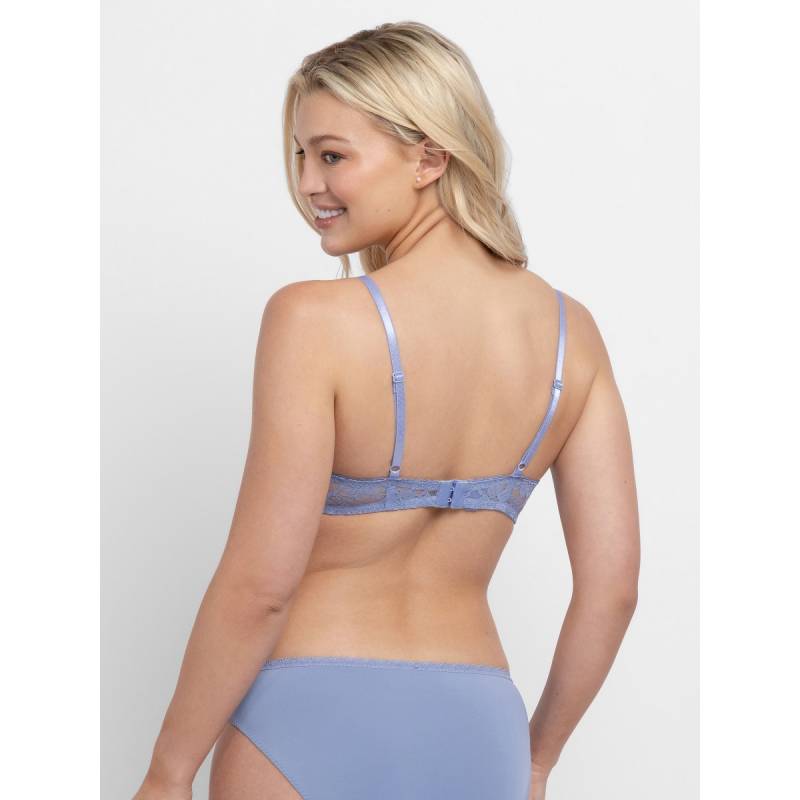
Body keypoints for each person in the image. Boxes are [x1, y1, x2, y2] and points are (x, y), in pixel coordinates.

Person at [133, 21, 640, 800]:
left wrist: (168, 773)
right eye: (300, 155)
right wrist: (537, 760)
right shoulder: (574, 336)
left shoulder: (313, 320)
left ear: (430, 158)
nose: (308, 183)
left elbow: (260, 585)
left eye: (332, 155)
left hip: (305, 715)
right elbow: (613, 589)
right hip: (478, 731)